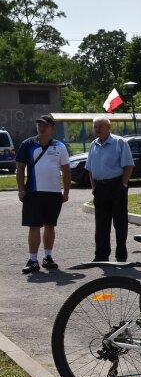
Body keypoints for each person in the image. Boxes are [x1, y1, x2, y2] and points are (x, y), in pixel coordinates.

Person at [15, 114, 71, 274]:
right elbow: (19, 169)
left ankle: (48, 257)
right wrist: (21, 189)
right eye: (39, 124)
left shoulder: (60, 146)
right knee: (34, 226)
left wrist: (66, 192)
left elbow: (66, 171)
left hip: (53, 193)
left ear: (52, 128)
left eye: (45, 125)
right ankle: (33, 260)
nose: (41, 127)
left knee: (50, 225)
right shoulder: (27, 144)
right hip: (33, 192)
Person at [85, 116, 134, 262]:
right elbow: (90, 168)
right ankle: (101, 255)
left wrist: (123, 185)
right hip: (100, 188)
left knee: (120, 223)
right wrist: (94, 187)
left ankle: (121, 256)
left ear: (108, 127)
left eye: (100, 126)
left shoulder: (120, 142)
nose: (97, 129)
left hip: (116, 185)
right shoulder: (94, 144)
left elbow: (129, 165)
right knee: (101, 224)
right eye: (95, 126)